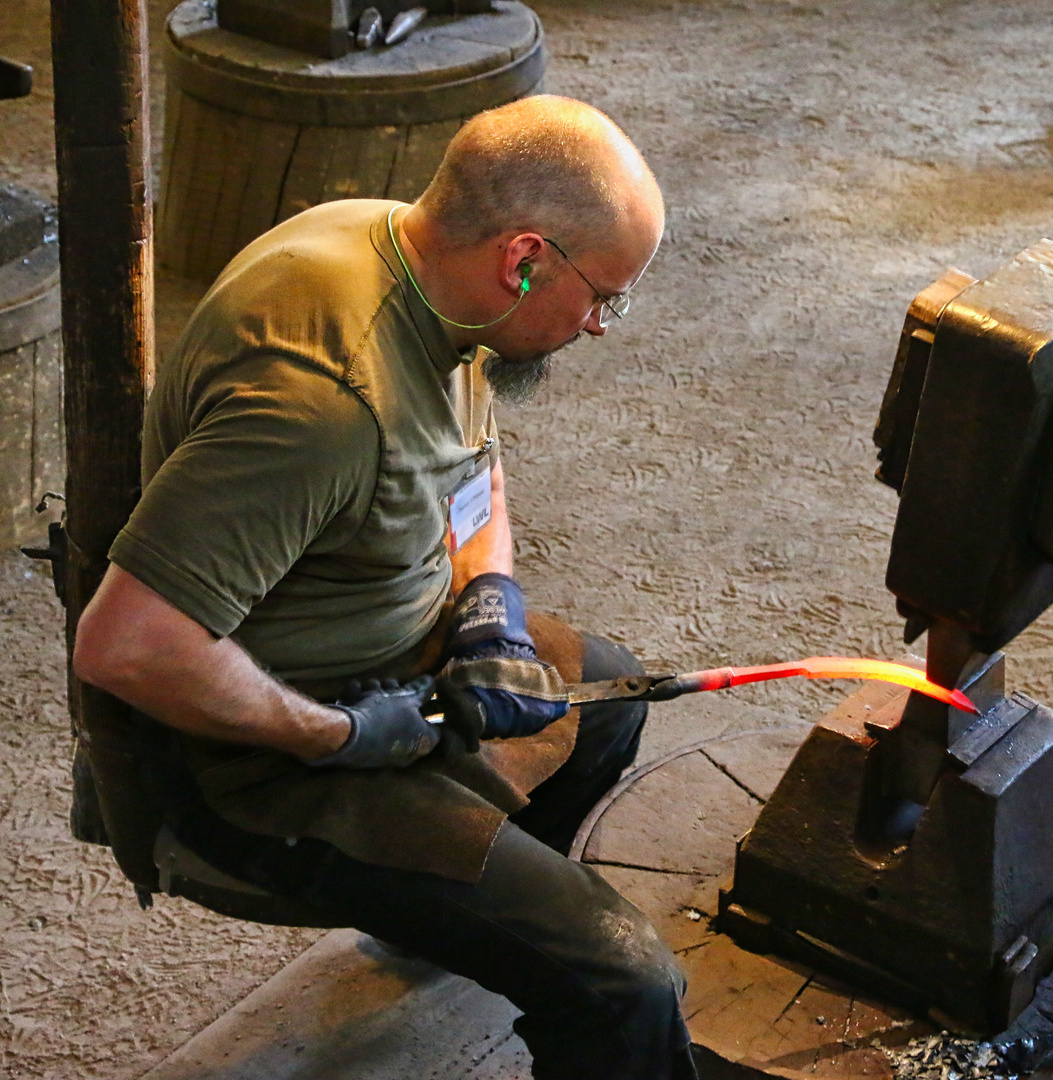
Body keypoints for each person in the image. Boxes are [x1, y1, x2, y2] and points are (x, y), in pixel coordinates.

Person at [71, 95, 696, 1080]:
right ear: (524, 257)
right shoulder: (320, 399)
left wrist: (491, 610)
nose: (600, 326)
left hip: (389, 659)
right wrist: (343, 737)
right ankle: (489, 918)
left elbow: (469, 458)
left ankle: (449, 921)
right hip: (249, 761)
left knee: (605, 702)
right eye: (603, 297)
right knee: (625, 985)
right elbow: (127, 646)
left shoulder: (432, 267)